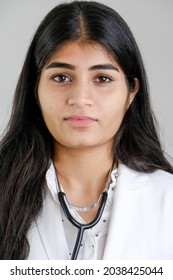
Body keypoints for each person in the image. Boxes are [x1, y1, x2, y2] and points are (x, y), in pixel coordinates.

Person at [0, 0, 173, 260]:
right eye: (61, 78)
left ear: (131, 92)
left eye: (102, 79)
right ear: (35, 88)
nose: (80, 98)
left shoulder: (167, 198)